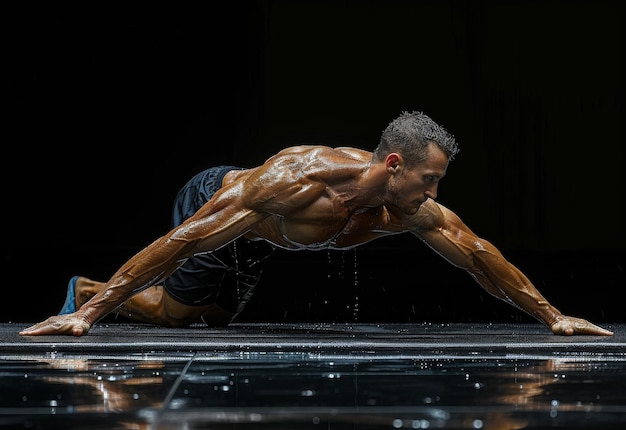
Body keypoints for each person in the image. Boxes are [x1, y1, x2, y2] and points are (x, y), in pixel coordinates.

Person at [20, 111, 613, 337]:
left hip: (262, 236)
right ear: (394, 164)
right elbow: (187, 239)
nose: (436, 195)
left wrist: (553, 316)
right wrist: (90, 318)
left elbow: (478, 252)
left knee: (213, 321)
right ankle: (90, 293)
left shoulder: (404, 210)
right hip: (218, 199)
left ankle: (106, 296)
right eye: (429, 181)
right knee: (180, 318)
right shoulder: (295, 182)